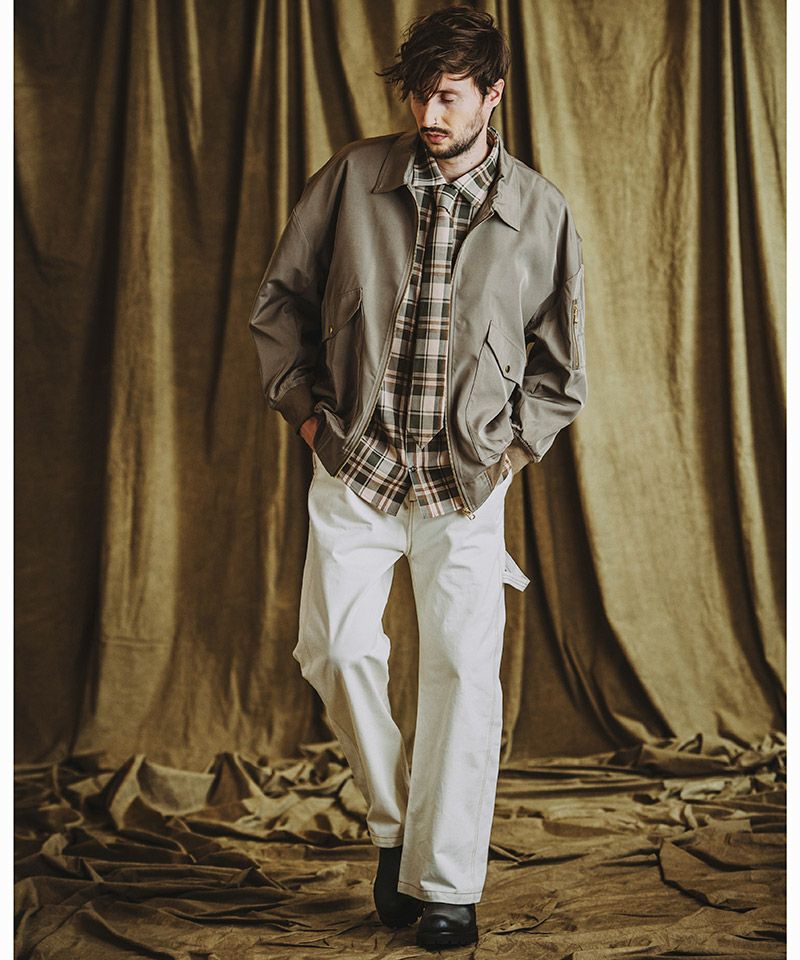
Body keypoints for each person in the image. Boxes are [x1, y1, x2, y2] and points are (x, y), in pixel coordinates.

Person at [248, 5, 586, 949]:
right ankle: (397, 828)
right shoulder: (354, 178)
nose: (428, 114)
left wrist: (509, 454)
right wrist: (308, 418)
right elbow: (279, 301)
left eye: (448, 97)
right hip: (355, 463)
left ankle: (446, 886)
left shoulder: (540, 211)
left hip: (465, 486)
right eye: (418, 95)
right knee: (336, 650)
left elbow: (562, 371)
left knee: (464, 675)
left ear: (493, 95)